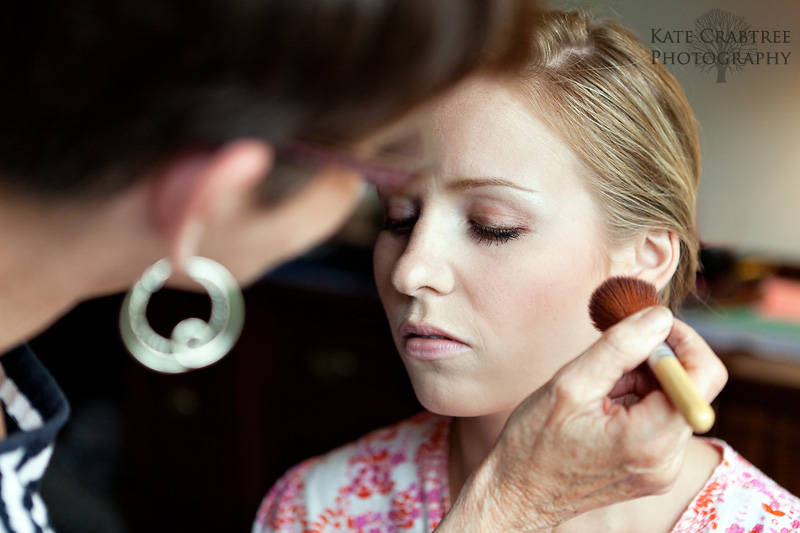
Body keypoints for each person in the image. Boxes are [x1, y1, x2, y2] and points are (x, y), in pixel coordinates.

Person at [253, 10, 799, 533]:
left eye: (493, 226)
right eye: (397, 217)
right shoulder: (321, 508)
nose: (410, 270)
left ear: (648, 257)